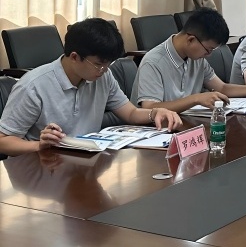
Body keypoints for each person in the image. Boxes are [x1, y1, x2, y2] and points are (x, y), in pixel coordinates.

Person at [0, 18, 182, 157]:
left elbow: (131, 113)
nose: (104, 70)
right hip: (43, 168)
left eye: (108, 64)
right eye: (98, 64)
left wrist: (155, 113)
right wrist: (39, 146)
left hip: (85, 162)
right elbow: (3, 141)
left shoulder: (103, 76)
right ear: (74, 57)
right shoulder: (33, 86)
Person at [131, 8, 246, 113]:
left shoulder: (196, 58)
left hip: (186, 125)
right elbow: (149, 108)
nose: (208, 55)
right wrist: (196, 99)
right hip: (156, 131)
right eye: (208, 49)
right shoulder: (153, 62)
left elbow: (222, 88)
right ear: (191, 40)